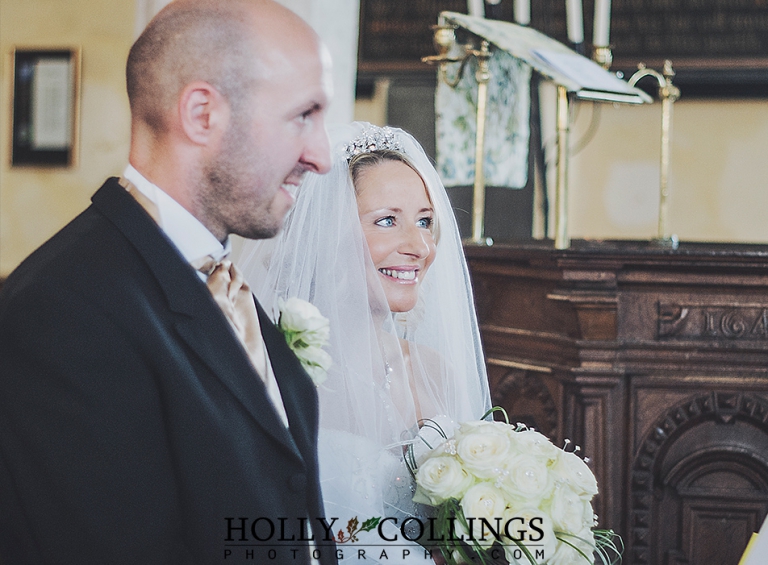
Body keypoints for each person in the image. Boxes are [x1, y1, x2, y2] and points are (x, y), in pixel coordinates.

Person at [0, 1, 338, 563]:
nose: (321, 155)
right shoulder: (63, 312)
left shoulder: (224, 284)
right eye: (303, 115)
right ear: (203, 114)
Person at [237, 123, 492, 563]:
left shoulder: (433, 371)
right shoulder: (273, 371)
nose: (420, 246)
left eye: (426, 222)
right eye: (387, 221)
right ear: (325, 236)